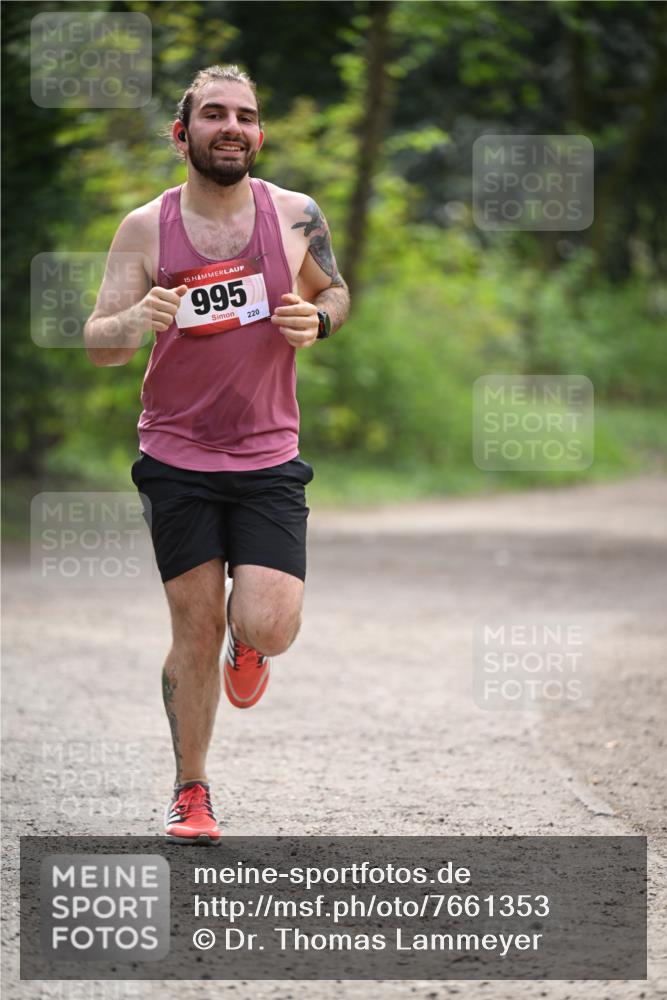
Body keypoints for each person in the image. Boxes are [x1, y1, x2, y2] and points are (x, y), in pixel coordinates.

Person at [84, 65, 350, 844]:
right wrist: (139, 314)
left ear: (258, 134)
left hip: (268, 453)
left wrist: (319, 321)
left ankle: (252, 645)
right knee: (191, 630)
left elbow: (336, 292)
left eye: (245, 115)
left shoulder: (295, 215)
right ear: (182, 133)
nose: (231, 125)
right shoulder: (144, 227)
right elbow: (99, 344)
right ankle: (191, 791)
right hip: (176, 455)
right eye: (213, 114)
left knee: (268, 621)